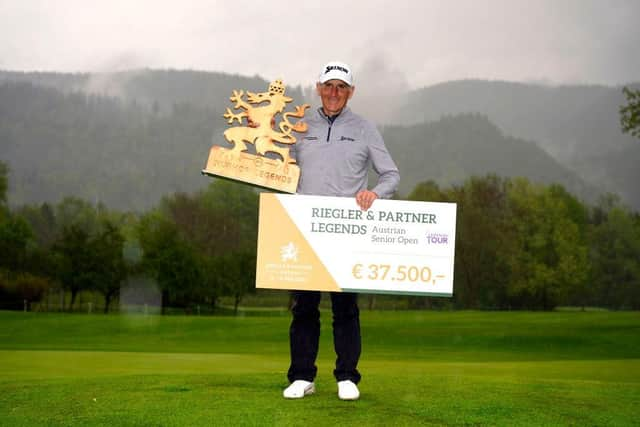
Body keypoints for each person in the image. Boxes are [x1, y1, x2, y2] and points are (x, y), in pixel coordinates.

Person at [283, 61, 400, 400]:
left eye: (342, 87)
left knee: (345, 307)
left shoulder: (364, 128)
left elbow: (390, 174)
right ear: (318, 88)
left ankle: (347, 376)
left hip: (347, 230)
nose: (334, 93)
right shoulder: (299, 125)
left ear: (351, 92)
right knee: (303, 306)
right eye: (329, 86)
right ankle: (302, 376)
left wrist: (374, 193)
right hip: (304, 226)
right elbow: (276, 163)